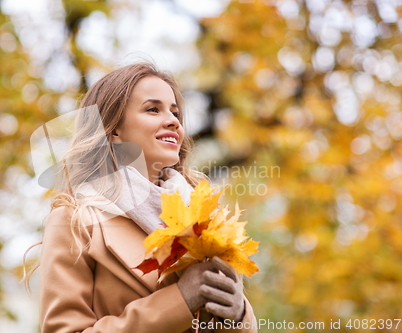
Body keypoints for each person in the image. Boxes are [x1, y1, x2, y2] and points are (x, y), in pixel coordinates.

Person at [22, 62, 258, 333]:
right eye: (153, 109)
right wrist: (180, 299)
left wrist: (238, 316)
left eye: (175, 112)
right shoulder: (74, 221)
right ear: (113, 130)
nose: (173, 121)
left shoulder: (204, 215)